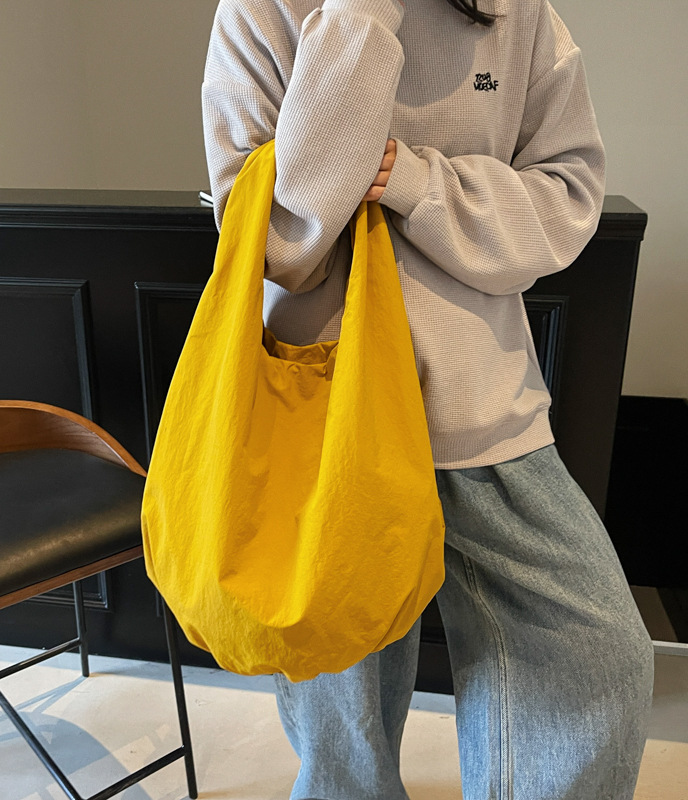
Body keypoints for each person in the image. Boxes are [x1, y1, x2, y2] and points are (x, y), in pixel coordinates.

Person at [200, 0, 655, 797]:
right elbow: (277, 242)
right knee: (345, 716)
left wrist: (417, 180)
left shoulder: (517, 15)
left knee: (594, 653)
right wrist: (360, 15)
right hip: (323, 417)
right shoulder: (266, 9)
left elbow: (567, 198)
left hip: (482, 409)